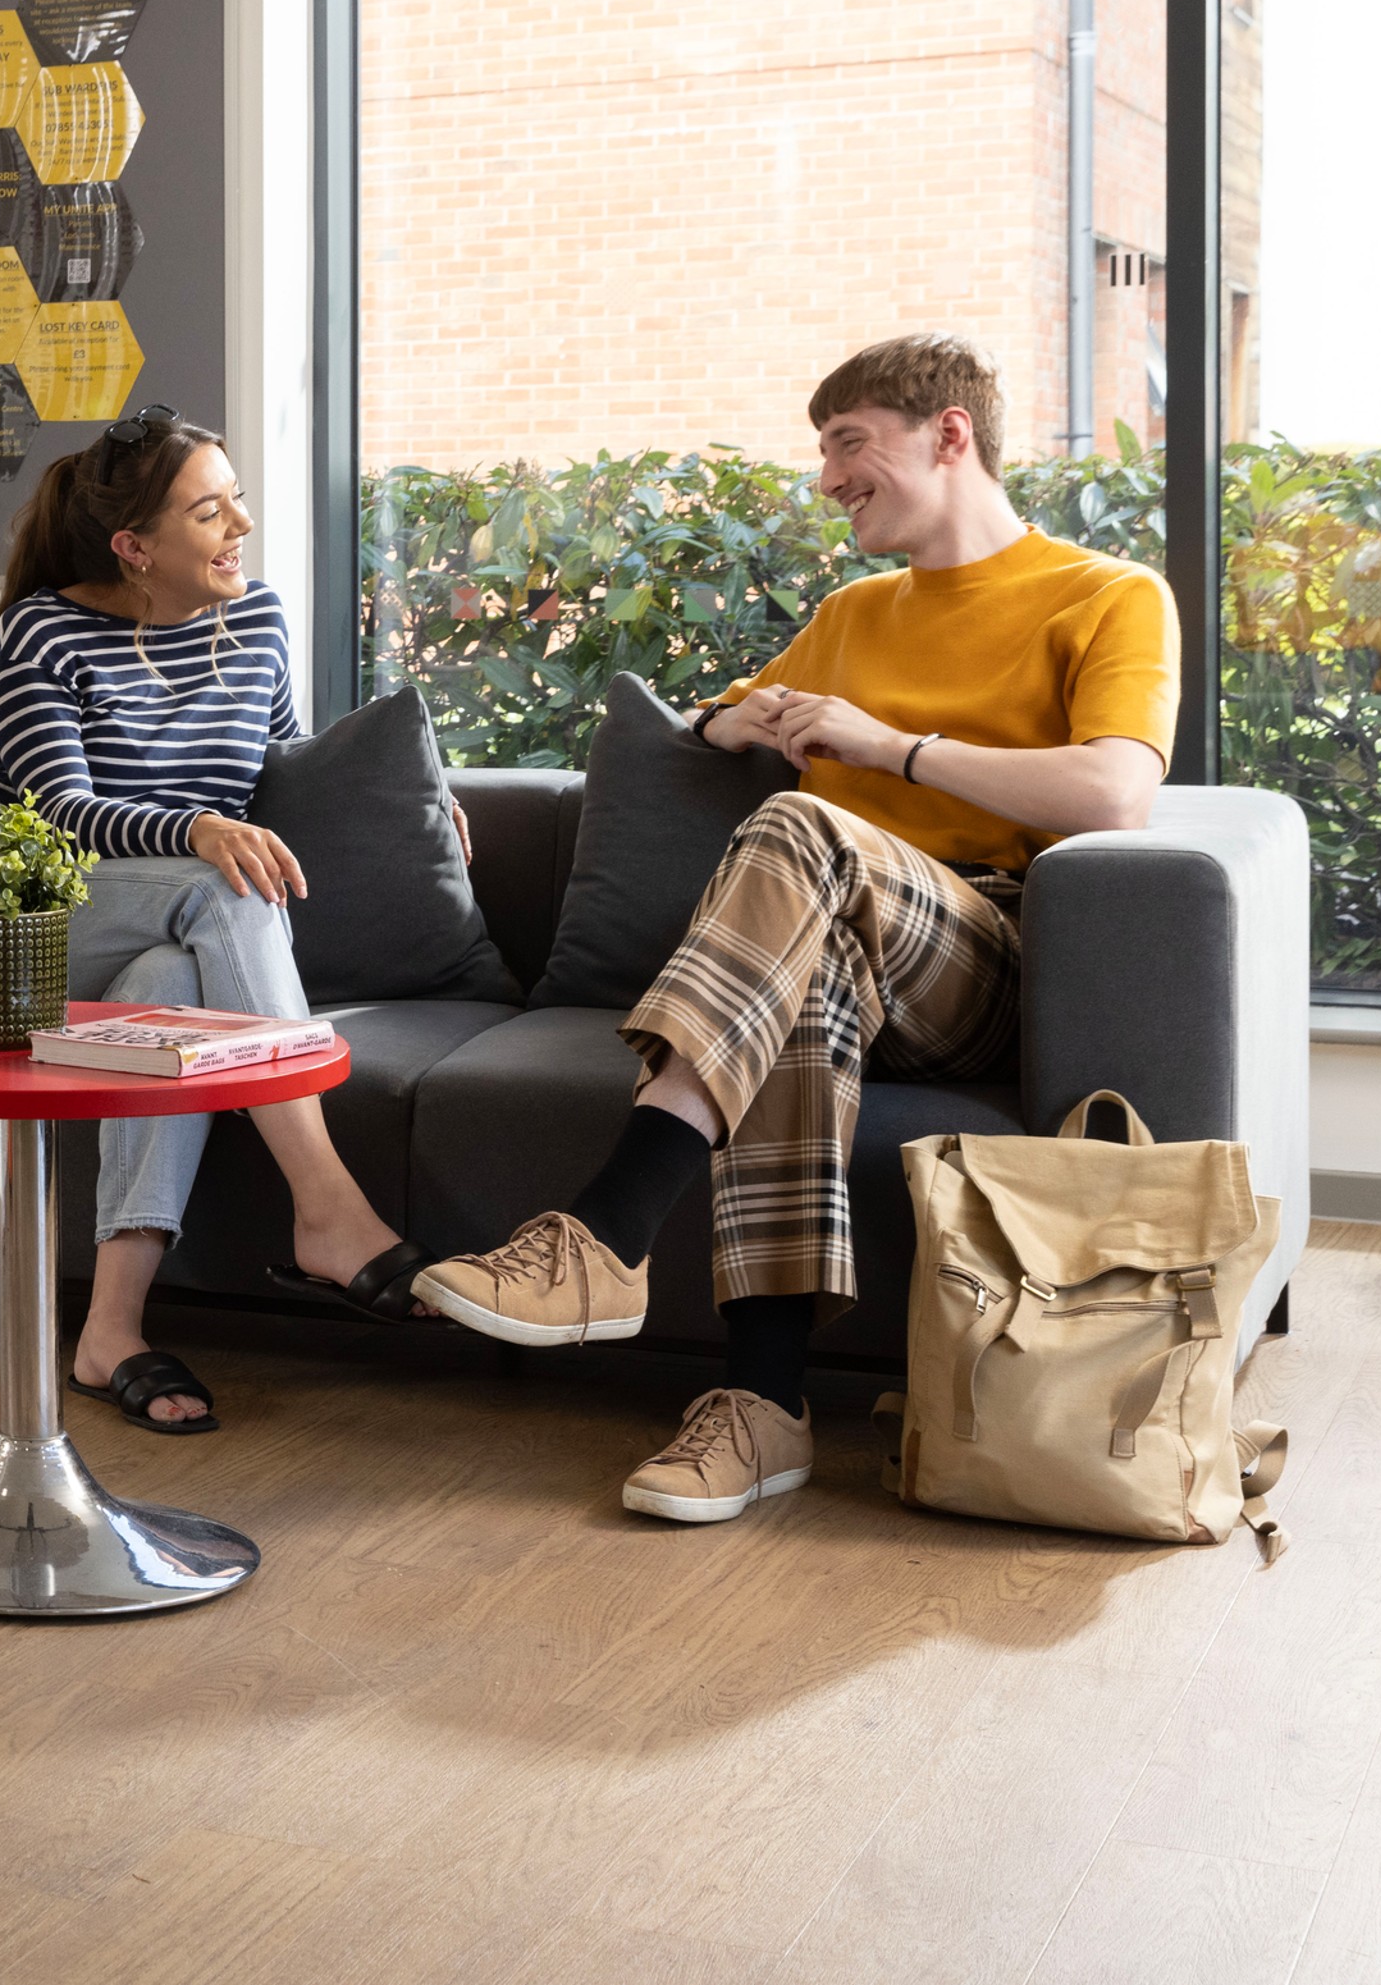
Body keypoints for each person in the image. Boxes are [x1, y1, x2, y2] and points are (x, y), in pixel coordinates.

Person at [411, 333, 1178, 1525]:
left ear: (951, 433)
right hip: (833, 958)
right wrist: (739, 720)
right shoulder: (852, 613)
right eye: (825, 451)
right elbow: (713, 719)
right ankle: (761, 1406)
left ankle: (608, 1229)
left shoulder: (1107, 593)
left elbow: (1116, 792)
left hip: (985, 951)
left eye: (851, 443)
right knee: (798, 989)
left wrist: (888, 747)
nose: (828, 478)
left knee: (800, 829)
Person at [0, 404, 441, 1437]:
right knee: (224, 886)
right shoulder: (42, 629)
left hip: (162, 937)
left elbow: (290, 761)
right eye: (210, 511)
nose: (241, 528)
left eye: (238, 500)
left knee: (169, 996)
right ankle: (325, 1204)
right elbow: (57, 814)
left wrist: (408, 794)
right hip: (57, 919)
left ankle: (109, 1331)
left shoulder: (254, 618)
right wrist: (198, 826)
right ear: (135, 547)